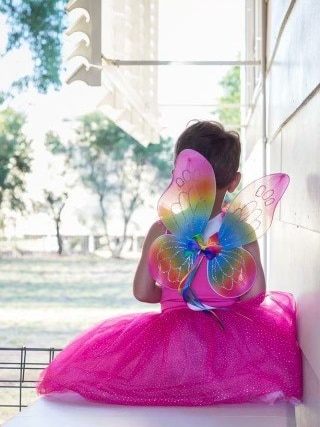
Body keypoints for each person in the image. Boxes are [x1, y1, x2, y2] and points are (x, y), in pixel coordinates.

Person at [37, 120, 302, 406]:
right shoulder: (242, 233)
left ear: (180, 173)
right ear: (235, 181)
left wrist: (171, 294)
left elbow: (142, 292)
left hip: (171, 352)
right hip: (229, 354)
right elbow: (255, 297)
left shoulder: (161, 230)